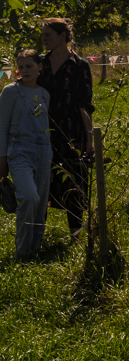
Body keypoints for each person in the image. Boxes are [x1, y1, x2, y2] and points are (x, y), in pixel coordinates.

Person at [38, 18, 94, 241]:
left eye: (48, 34)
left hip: (72, 131)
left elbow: (85, 103)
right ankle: (36, 235)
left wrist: (89, 138)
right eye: (42, 35)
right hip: (41, 130)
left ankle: (76, 235)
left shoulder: (80, 65)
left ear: (63, 36)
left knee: (75, 180)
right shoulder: (38, 63)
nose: (43, 39)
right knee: (41, 180)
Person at [0, 50, 52, 260]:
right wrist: (2, 160)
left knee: (40, 202)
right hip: (18, 149)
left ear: (40, 67)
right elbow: (1, 126)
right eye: (20, 67)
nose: (24, 71)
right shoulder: (10, 91)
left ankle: (34, 249)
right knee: (29, 197)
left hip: (43, 150)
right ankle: (21, 252)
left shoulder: (45, 94)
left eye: (29, 66)